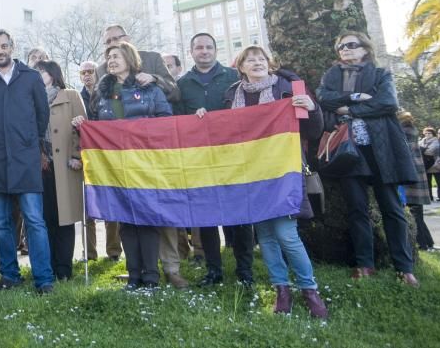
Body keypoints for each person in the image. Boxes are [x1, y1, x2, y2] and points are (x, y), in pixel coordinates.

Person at [221, 46, 327, 318]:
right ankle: (282, 290)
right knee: (266, 236)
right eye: (249, 59)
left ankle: (309, 289)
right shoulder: (233, 94)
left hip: (283, 170)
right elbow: (226, 131)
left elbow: (313, 130)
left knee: (286, 234)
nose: (256, 62)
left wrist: (311, 108)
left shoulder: (287, 86)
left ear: (270, 63)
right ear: (241, 66)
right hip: (250, 173)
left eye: (261, 58)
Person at [317, 31, 420, 287]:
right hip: (349, 151)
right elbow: (324, 98)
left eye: (351, 45)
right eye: (341, 46)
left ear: (365, 48)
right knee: (356, 209)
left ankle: (404, 267)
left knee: (392, 208)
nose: (345, 49)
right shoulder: (332, 76)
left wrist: (349, 110)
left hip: (381, 148)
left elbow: (387, 103)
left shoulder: (381, 73)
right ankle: (365, 264)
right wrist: (356, 97)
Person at [77, 41, 173, 290]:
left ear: (130, 59)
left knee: (147, 218)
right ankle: (133, 276)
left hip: (145, 163)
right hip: (115, 166)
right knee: (126, 220)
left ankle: (151, 276)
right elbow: (96, 126)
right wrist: (82, 125)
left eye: (116, 56)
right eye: (108, 57)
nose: (111, 60)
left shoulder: (150, 89)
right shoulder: (101, 92)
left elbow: (166, 120)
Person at [0, 29, 55, 294]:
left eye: (3, 45)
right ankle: (10, 275)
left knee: (34, 219)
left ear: (12, 47)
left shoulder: (31, 78)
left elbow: (42, 116)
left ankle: (44, 278)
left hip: (26, 158)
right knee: (0, 222)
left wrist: (31, 144)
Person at [176, 32, 250, 286]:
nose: (204, 51)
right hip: (200, 159)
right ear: (191, 52)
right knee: (206, 217)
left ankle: (245, 271)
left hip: (232, 157)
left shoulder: (233, 77)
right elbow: (176, 122)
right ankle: (213, 270)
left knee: (240, 215)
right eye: (199, 47)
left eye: (208, 47)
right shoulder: (182, 83)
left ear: (216, 50)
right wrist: (192, 120)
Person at [34, 61, 85, 281]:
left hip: (65, 166)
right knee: (45, 219)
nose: (38, 75)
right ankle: (49, 267)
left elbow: (82, 128)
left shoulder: (71, 95)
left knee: (65, 219)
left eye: (41, 72)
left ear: (53, 74)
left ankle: (64, 269)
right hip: (40, 166)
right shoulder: (32, 98)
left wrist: (76, 155)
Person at [79, 60, 122, 262]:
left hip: (106, 155)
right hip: (84, 157)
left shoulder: (107, 93)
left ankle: (113, 251)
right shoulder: (76, 97)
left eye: (90, 71)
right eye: (83, 73)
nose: (87, 75)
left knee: (110, 203)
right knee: (86, 206)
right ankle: (89, 253)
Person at [96, 24, 179, 103]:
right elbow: (94, 106)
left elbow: (175, 93)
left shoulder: (152, 59)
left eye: (116, 39)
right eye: (108, 41)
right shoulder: (102, 70)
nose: (112, 43)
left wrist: (154, 79)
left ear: (127, 39)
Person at [398, 112, 435, 251]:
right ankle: (428, 242)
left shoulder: (403, 133)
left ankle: (422, 244)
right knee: (417, 212)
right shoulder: (411, 131)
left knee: (414, 213)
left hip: (410, 177)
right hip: (417, 176)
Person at [418, 127, 440, 199]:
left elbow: (431, 151)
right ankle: (429, 196)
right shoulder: (422, 141)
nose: (427, 135)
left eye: (429, 133)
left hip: (435, 163)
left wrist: (422, 150)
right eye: (426, 133)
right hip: (426, 164)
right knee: (428, 182)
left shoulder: (436, 141)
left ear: (433, 134)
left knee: (439, 181)